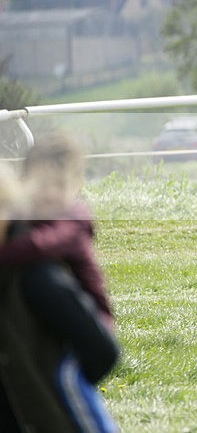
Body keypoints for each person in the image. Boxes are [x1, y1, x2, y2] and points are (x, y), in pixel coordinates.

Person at [0, 135, 118, 432]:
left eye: (59, 184)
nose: (50, 194)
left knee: (70, 385)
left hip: (92, 318)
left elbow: (40, 246)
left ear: (76, 185)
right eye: (41, 184)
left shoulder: (71, 220)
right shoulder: (31, 217)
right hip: (58, 322)